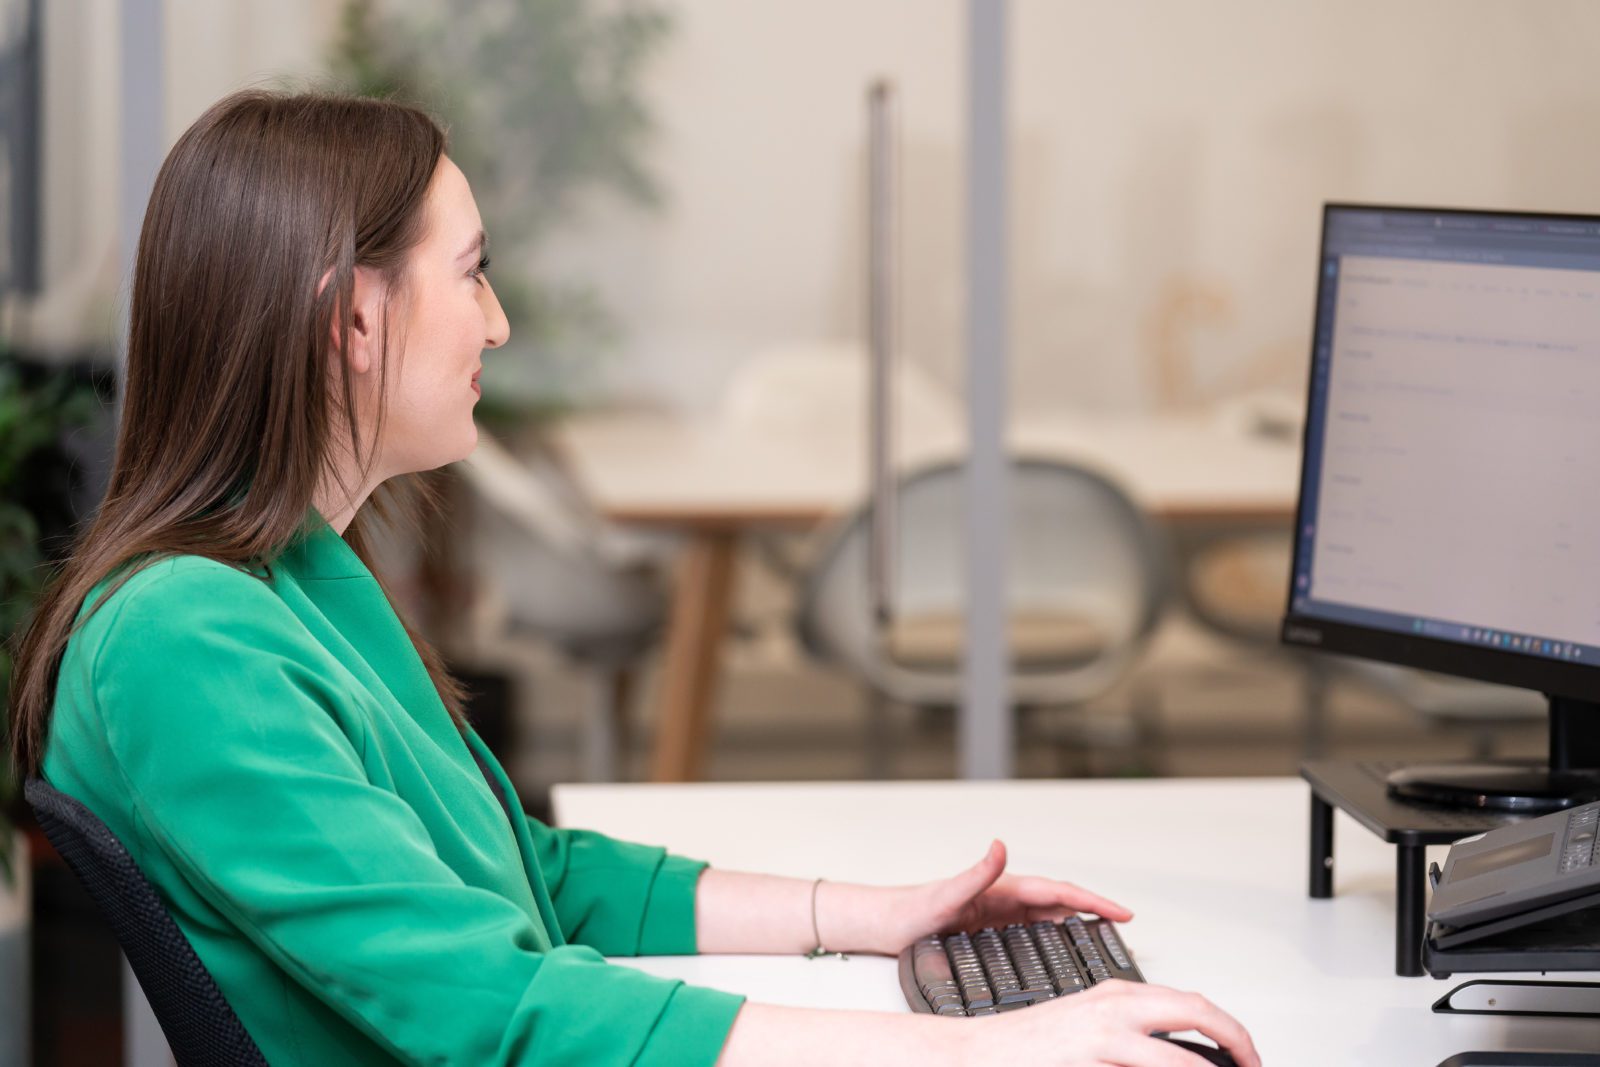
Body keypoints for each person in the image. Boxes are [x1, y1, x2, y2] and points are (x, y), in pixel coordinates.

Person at [7, 90, 1260, 1067]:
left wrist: (877, 914)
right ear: (353, 320)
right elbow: (492, 1008)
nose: (497, 324)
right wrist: (980, 1041)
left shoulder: (288, 581)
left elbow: (532, 881)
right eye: (472, 272)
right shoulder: (184, 644)